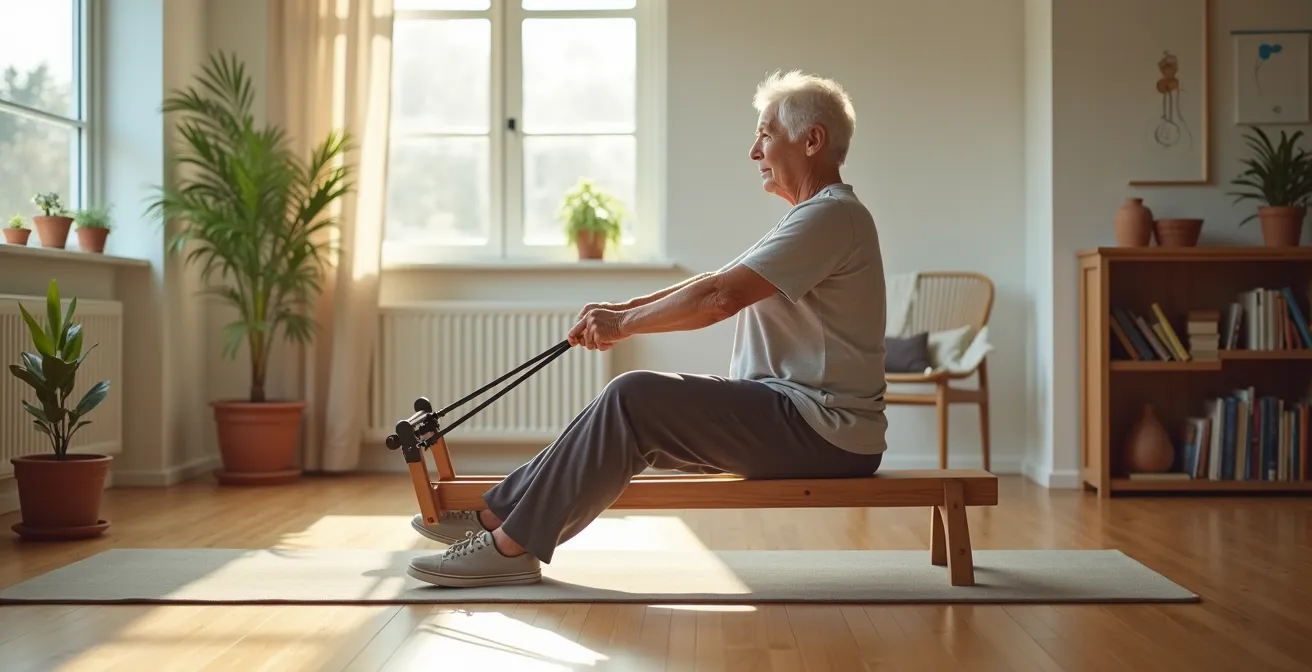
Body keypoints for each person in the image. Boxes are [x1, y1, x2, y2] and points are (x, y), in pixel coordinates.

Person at [406, 69, 889, 588]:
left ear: (811, 140)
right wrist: (624, 309)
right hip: (795, 416)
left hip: (823, 429)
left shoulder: (831, 218)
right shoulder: (814, 217)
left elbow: (719, 298)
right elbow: (716, 281)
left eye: (766, 135)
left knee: (633, 397)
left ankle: (510, 547)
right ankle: (496, 517)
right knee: (629, 407)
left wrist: (623, 323)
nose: (754, 152)